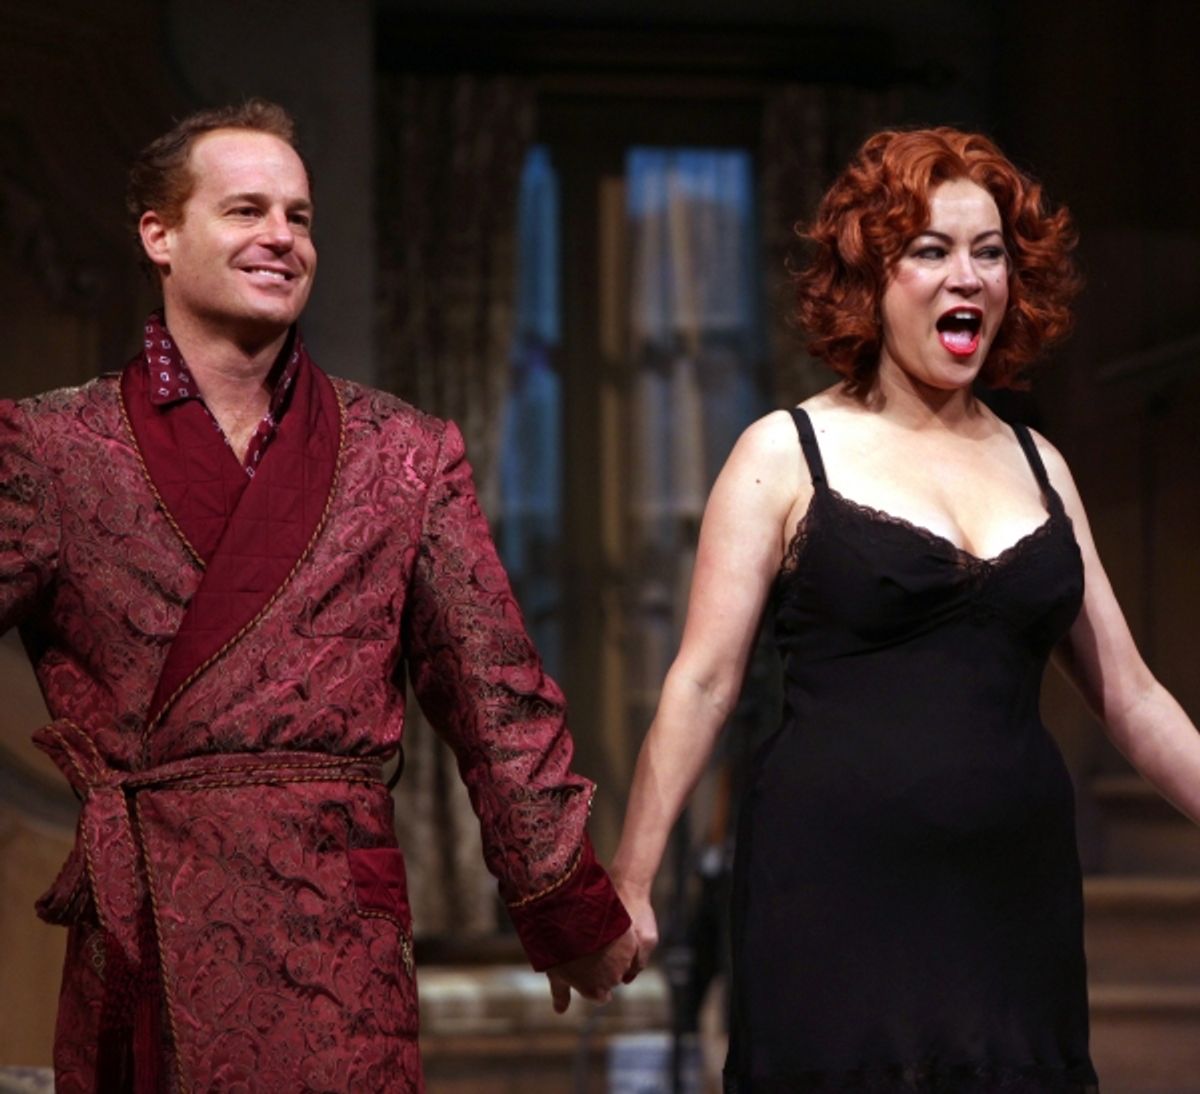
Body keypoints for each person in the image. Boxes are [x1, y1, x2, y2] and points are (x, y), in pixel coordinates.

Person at [0, 99, 635, 1093]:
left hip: (333, 934)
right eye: (246, 209)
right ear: (158, 235)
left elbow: (498, 703)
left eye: (299, 217)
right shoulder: (51, 450)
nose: (281, 239)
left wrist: (569, 911)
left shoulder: (405, 454)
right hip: (153, 932)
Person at [610, 127, 1200, 1091]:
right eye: (930, 251)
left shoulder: (1041, 466)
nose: (966, 276)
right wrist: (631, 880)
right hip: (836, 902)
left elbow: (1131, 699)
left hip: (1013, 905)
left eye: (990, 252)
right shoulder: (784, 450)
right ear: (870, 279)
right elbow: (705, 681)